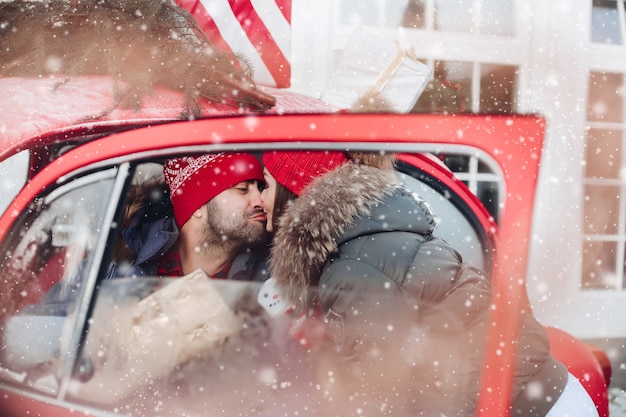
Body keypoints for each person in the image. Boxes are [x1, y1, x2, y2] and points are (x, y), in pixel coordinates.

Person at [258, 150, 599, 416]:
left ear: (294, 192)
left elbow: (378, 397)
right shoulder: (366, 242)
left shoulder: (354, 266)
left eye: (266, 184)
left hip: (536, 406)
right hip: (533, 394)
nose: (260, 199)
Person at [108, 152, 270, 281]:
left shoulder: (273, 277)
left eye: (261, 187)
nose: (261, 200)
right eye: (242, 189)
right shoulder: (123, 266)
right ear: (197, 205)